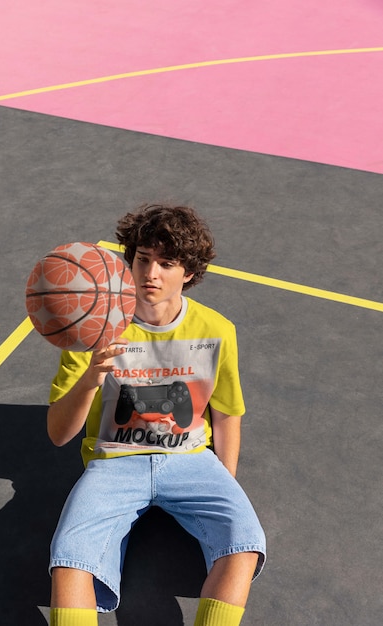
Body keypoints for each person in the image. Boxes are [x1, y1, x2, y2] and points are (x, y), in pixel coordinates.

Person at [47, 204, 266, 626]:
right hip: (113, 461)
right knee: (69, 558)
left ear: (189, 273)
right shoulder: (93, 329)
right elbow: (58, 434)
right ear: (129, 260)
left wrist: (225, 480)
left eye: (166, 263)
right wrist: (91, 377)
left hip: (191, 461)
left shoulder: (217, 329)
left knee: (244, 542)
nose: (151, 273)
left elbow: (226, 413)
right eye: (142, 259)